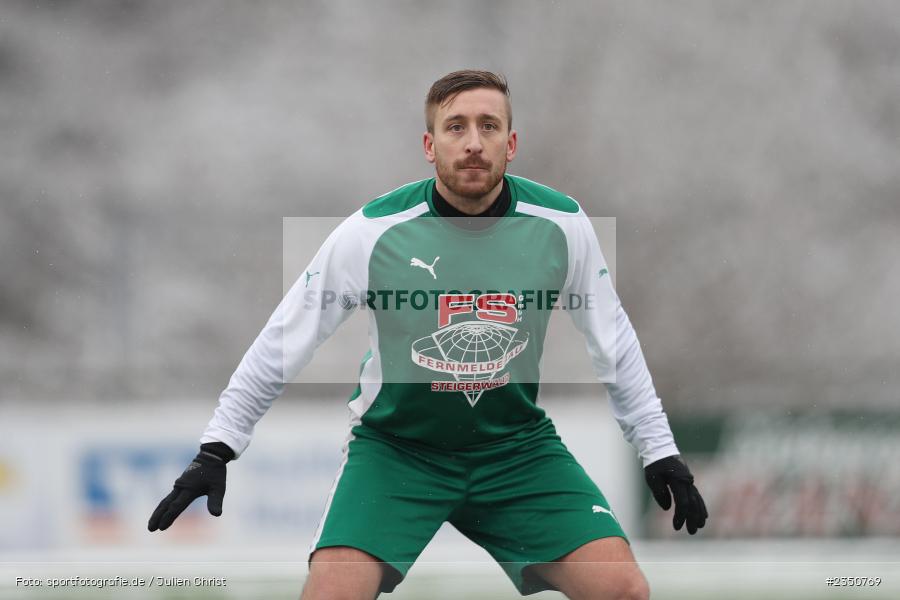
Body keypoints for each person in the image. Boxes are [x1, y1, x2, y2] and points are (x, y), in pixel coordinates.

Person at [149, 70, 707, 600]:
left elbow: (615, 343)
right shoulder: (371, 232)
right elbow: (283, 340)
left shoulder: (562, 224)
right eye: (456, 127)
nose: (473, 142)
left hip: (515, 451)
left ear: (511, 144)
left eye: (489, 126)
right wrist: (217, 448)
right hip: (397, 453)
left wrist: (660, 451)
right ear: (429, 144)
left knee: (624, 589)